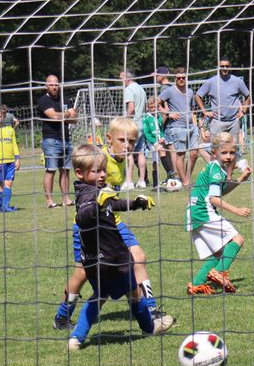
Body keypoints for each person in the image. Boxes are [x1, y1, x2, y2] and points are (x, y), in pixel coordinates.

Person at [54, 117, 169, 331]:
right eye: (122, 140)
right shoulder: (99, 159)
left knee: (139, 257)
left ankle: (150, 308)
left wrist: (135, 204)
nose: (128, 146)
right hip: (88, 227)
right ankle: (62, 316)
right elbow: (85, 197)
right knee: (81, 274)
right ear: (109, 139)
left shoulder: (120, 160)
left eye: (132, 141)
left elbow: (111, 201)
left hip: (112, 222)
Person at [186, 132, 252, 295]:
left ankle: (196, 284)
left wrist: (241, 179)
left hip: (194, 212)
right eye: (224, 152)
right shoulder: (215, 169)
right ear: (214, 153)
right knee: (238, 239)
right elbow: (214, 198)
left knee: (219, 252)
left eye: (231, 152)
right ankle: (219, 272)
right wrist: (236, 210)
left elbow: (219, 192)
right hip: (203, 211)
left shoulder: (216, 168)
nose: (229, 157)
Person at [37, 75, 78, 208]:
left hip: (66, 139)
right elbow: (54, 117)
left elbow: (74, 118)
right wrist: (65, 114)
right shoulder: (43, 100)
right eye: (52, 85)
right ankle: (49, 201)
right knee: (51, 169)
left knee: (66, 170)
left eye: (56, 85)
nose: (54, 87)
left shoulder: (65, 99)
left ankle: (66, 199)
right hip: (51, 140)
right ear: (46, 86)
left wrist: (63, 116)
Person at [159, 68, 201, 186]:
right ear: (175, 79)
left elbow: (192, 109)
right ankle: (186, 182)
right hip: (177, 127)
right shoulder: (169, 91)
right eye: (179, 78)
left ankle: (186, 178)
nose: (181, 80)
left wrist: (195, 123)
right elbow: (154, 104)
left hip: (191, 126)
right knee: (181, 154)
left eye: (183, 77)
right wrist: (168, 113)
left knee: (194, 153)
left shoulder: (190, 92)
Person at [195, 60, 251, 148]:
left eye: (227, 66)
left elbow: (248, 96)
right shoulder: (211, 82)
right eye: (222, 66)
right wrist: (204, 111)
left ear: (230, 67)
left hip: (233, 122)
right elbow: (198, 96)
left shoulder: (237, 81)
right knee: (216, 151)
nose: (225, 68)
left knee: (233, 150)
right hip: (217, 122)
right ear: (218, 67)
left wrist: (243, 111)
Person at [121, 68, 148, 189]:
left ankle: (129, 181)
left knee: (128, 152)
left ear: (127, 78)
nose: (121, 81)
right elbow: (145, 107)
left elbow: (131, 108)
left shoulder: (129, 89)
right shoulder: (141, 88)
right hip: (143, 124)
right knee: (140, 152)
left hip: (133, 125)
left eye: (121, 78)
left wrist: (125, 120)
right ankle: (142, 180)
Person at [141, 96, 173, 186]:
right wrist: (154, 142)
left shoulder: (158, 117)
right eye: (151, 107)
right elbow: (146, 133)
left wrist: (162, 137)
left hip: (159, 141)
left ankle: (156, 183)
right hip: (151, 142)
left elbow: (161, 129)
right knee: (162, 151)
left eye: (155, 107)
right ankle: (169, 171)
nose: (153, 109)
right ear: (148, 107)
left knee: (156, 162)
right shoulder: (146, 118)